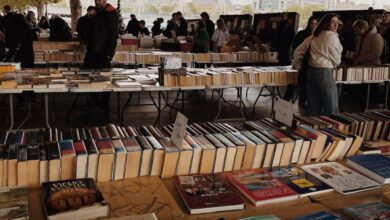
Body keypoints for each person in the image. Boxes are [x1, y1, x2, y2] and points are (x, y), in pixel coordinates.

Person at [293, 13, 343, 116]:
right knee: (331, 107)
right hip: (324, 73)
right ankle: (329, 130)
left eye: (337, 22)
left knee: (313, 107)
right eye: (332, 22)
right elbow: (337, 60)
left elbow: (297, 52)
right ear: (325, 24)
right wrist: (333, 63)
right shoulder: (332, 37)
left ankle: (313, 129)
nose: (335, 25)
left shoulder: (313, 36)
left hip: (310, 73)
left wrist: (299, 66)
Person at [284, 16, 318, 105]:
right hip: (300, 61)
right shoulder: (302, 34)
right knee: (293, 81)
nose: (313, 25)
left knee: (306, 84)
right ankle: (286, 100)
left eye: (315, 24)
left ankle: (302, 102)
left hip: (310, 64)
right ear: (309, 24)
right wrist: (297, 61)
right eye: (312, 23)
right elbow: (295, 48)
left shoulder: (318, 36)